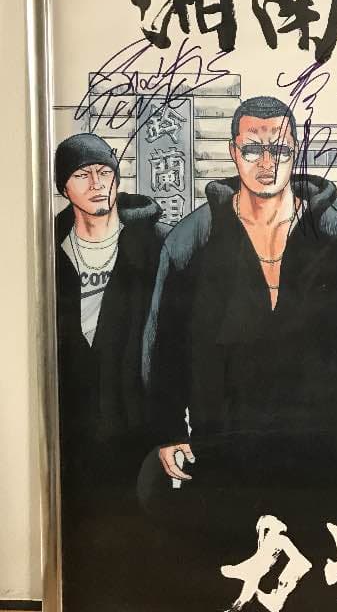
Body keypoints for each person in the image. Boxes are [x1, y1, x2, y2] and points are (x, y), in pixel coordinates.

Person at [141, 96, 337, 496]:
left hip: (322, 444)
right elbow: (163, 342)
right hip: (224, 445)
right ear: (233, 152)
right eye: (253, 149)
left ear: (296, 152)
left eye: (280, 150)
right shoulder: (192, 238)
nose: (267, 163)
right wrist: (168, 429)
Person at [54, 132, 169, 607]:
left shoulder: (154, 243)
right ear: (64, 187)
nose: (97, 183)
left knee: (144, 545)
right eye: (83, 175)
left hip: (139, 424)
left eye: (105, 172)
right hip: (75, 428)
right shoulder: (48, 250)